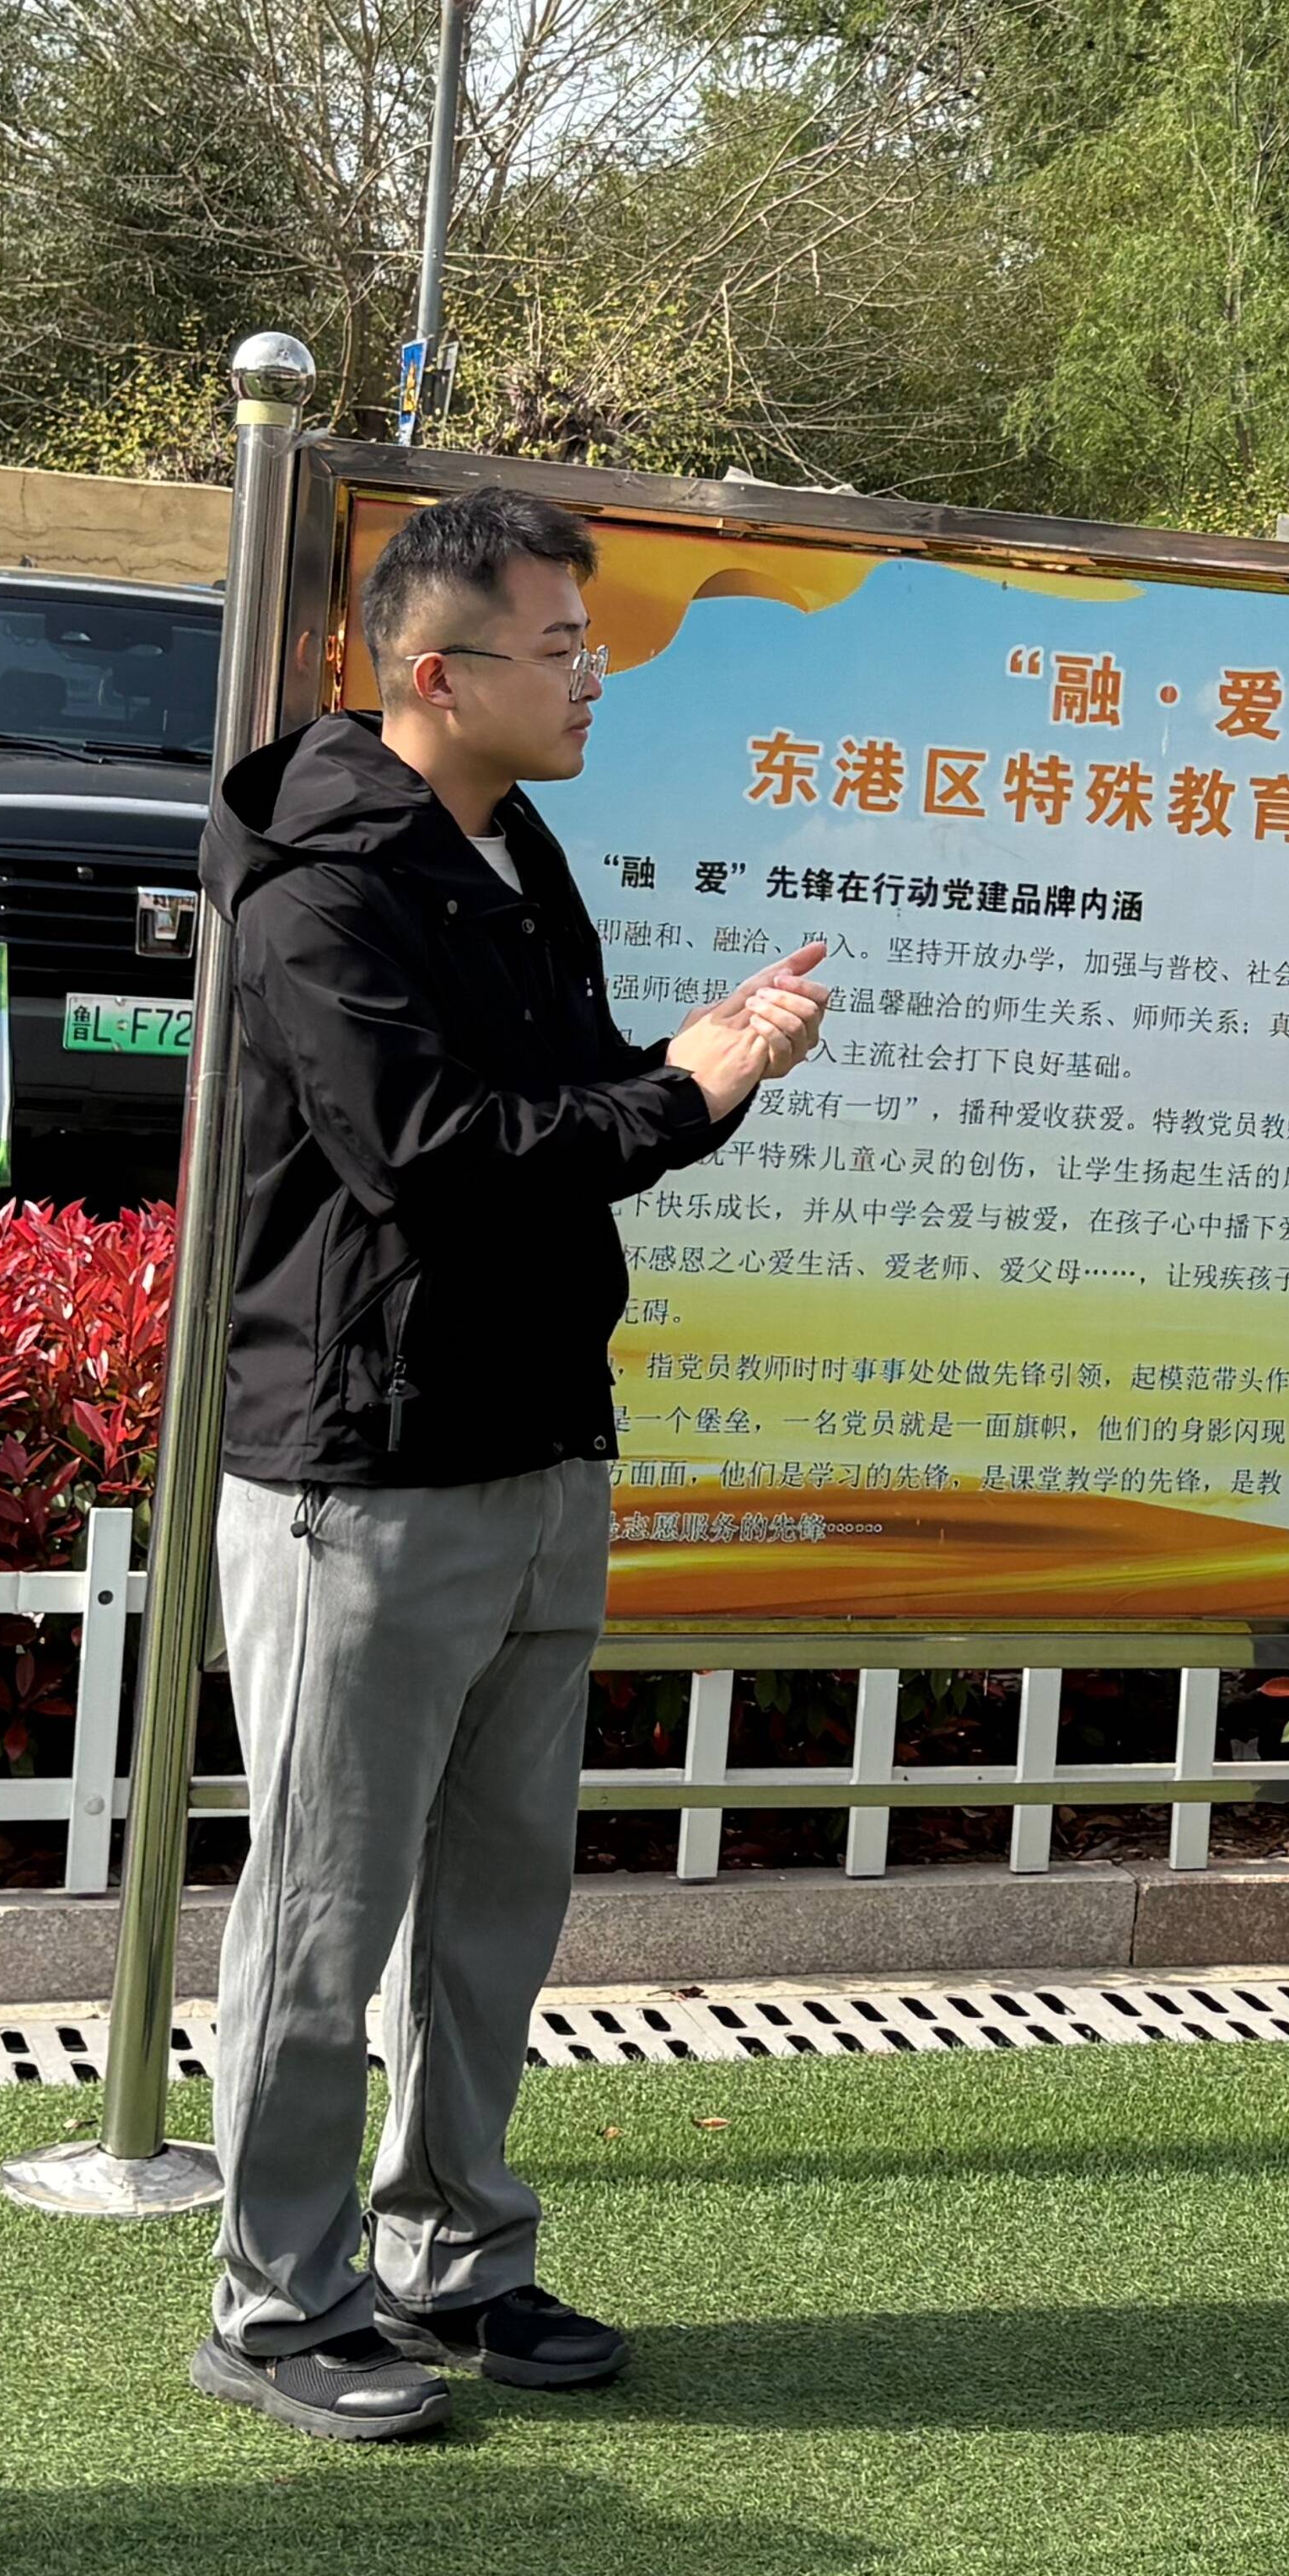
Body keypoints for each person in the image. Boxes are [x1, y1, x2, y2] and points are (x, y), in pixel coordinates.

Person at [188, 485, 831, 2442]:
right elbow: (437, 1161)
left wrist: (694, 1067)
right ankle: (281, 2299)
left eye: (591, 639)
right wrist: (679, 1091)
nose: (591, 672)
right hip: (365, 1475)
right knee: (323, 1907)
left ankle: (459, 2253)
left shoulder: (508, 847)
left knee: (493, 1902)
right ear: (434, 669)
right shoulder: (320, 889)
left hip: (540, 1447)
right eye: (560, 642)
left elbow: (576, 1107)